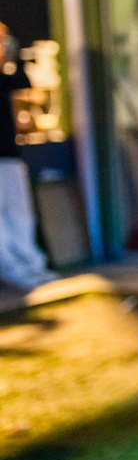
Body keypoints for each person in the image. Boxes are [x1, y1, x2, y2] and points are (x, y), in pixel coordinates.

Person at [0, 21, 56, 291]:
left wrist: (12, 55)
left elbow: (22, 81)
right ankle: (12, 269)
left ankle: (32, 265)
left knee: (20, 213)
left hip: (10, 156)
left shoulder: (4, 76)